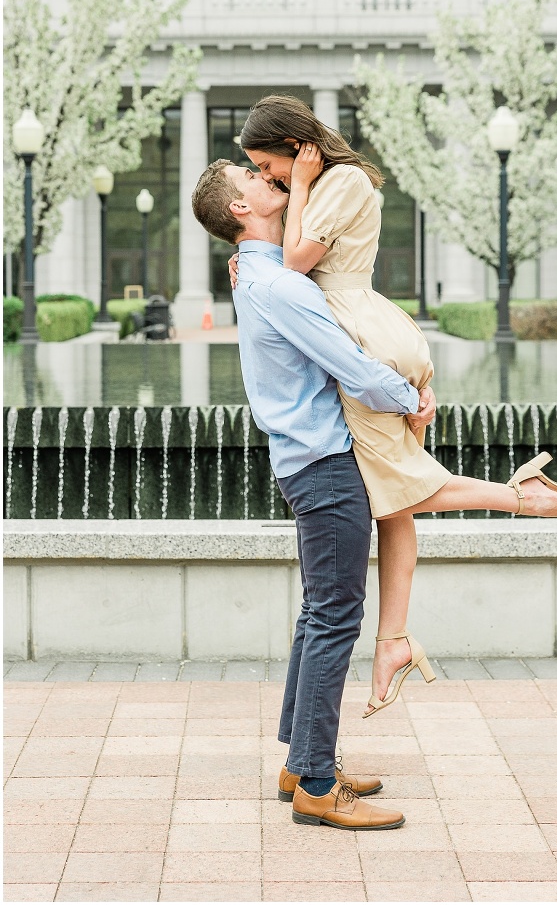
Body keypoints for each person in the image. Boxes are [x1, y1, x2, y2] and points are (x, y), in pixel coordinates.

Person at [229, 95, 557, 717]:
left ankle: (523, 497)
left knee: (401, 488)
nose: (269, 179)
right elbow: (285, 266)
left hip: (361, 336)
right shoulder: (326, 185)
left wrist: (286, 224)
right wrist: (252, 258)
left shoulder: (336, 181)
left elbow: (294, 264)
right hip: (364, 328)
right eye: (259, 175)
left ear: (295, 149)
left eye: (268, 166)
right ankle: (393, 640)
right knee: (392, 501)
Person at [192, 159, 434, 829]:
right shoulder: (275, 284)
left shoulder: (257, 275)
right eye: (250, 176)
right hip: (325, 464)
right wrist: (410, 396)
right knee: (334, 615)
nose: (259, 175)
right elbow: (352, 367)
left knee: (318, 613)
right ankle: (318, 786)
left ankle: (301, 761)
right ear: (239, 209)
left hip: (305, 460)